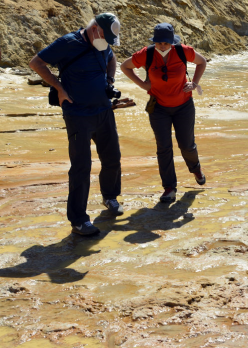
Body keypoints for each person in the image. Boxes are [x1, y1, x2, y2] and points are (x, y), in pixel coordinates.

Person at [28, 13, 124, 236]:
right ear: (94, 29)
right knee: (81, 167)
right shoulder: (68, 43)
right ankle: (79, 220)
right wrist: (59, 87)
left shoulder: (104, 43)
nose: (106, 43)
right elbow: (36, 63)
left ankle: (110, 197)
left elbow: (112, 59)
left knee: (112, 158)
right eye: (104, 37)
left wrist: (110, 80)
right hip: (78, 114)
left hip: (104, 111)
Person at [120, 22, 207, 203]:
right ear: (154, 41)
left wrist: (194, 83)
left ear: (172, 42)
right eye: (159, 42)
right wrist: (142, 84)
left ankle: (195, 168)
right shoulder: (147, 54)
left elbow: (202, 62)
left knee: (187, 145)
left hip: (183, 106)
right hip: (158, 108)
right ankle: (169, 188)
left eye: (166, 43)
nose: (162, 46)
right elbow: (124, 66)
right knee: (164, 148)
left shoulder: (183, 51)